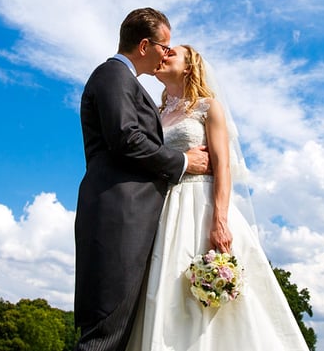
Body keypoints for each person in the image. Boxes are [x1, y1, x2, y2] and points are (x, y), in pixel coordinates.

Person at [126, 44, 310, 350]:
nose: (163, 55)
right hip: (162, 209)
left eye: (172, 52)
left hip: (201, 204)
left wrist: (220, 220)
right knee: (163, 290)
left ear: (188, 67)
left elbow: (223, 165)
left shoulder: (208, 107)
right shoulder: (155, 115)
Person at [74, 8, 212, 351]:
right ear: (145, 45)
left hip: (134, 218)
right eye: (164, 46)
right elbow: (126, 139)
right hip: (118, 216)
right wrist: (183, 161)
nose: (166, 53)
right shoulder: (113, 76)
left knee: (118, 334)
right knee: (104, 335)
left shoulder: (127, 83)